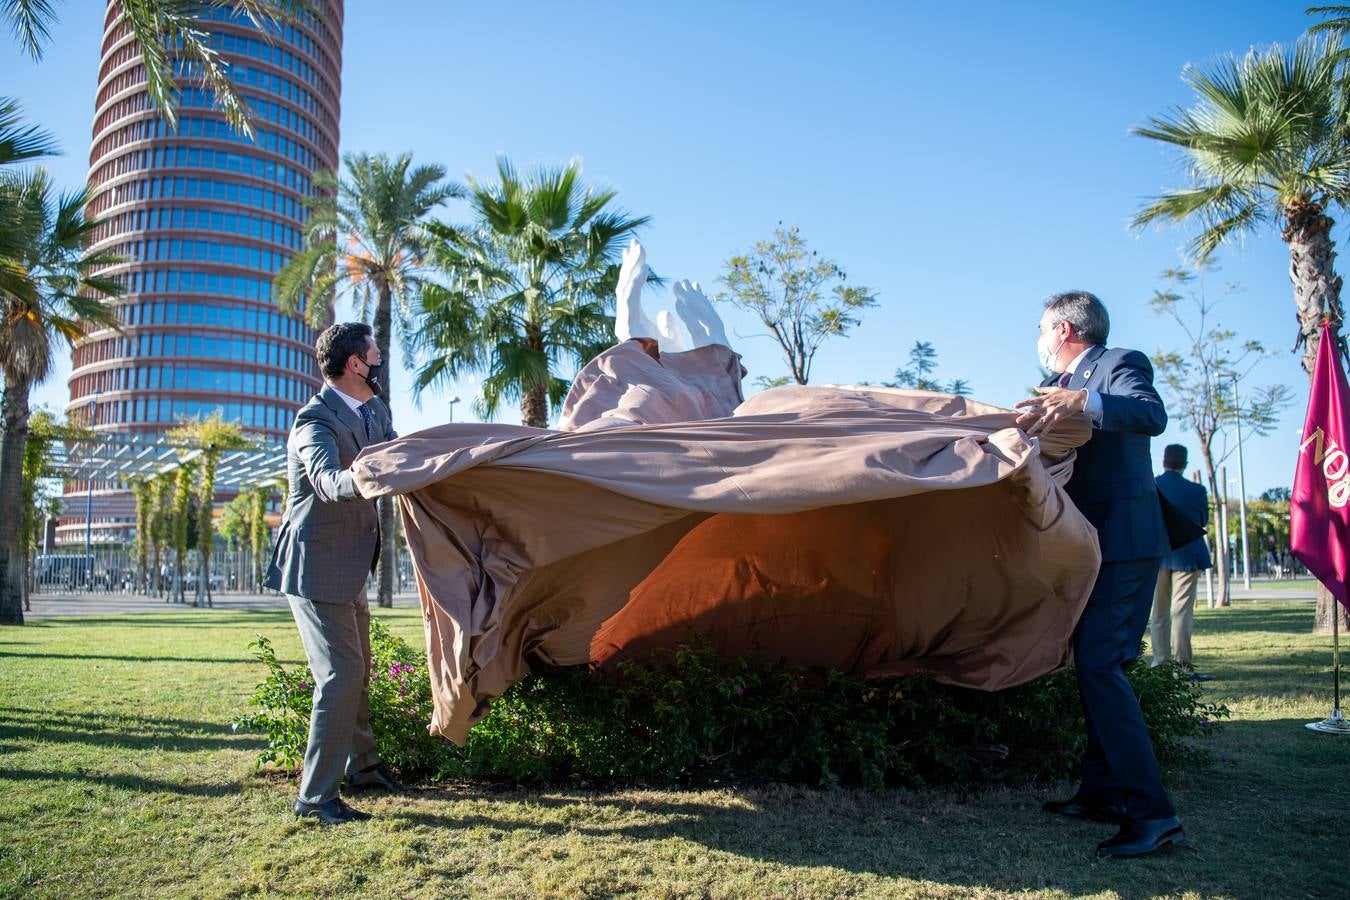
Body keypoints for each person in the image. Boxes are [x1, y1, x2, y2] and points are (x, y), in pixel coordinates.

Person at [1014, 290, 1185, 859]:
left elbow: (1151, 415)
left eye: (1042, 328)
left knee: (1100, 663)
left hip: (1125, 541)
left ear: (1064, 330)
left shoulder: (1118, 364)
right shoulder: (1056, 389)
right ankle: (1102, 793)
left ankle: (1155, 816)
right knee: (1093, 663)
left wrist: (1084, 402)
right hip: (1086, 544)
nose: (1039, 339)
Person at [264, 322, 402, 825]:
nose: (381, 362)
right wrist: (379, 473)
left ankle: (364, 767)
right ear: (355, 365)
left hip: (351, 563)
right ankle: (315, 797)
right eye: (375, 354)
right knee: (339, 674)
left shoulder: (375, 411)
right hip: (316, 564)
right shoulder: (313, 421)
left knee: (358, 669)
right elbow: (327, 482)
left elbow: (398, 453)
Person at [1152, 446, 1212, 676]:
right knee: (1182, 612)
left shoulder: (1153, 485)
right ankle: (1183, 666)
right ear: (1184, 463)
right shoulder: (1197, 490)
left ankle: (1161, 663)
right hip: (1188, 554)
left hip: (1158, 555)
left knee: (1159, 612)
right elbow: (1203, 519)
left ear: (1164, 461)